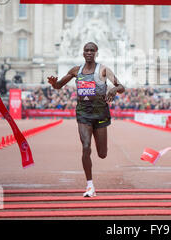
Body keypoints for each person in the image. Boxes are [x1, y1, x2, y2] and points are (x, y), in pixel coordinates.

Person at [48, 42, 125, 197]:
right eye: (86, 50)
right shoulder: (76, 71)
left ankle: (100, 151)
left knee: (102, 154)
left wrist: (114, 89)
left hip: (101, 114)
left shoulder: (103, 70)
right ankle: (90, 186)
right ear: (83, 53)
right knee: (85, 146)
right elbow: (59, 85)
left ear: (96, 53)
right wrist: (53, 83)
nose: (89, 53)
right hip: (83, 114)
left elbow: (121, 86)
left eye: (92, 50)